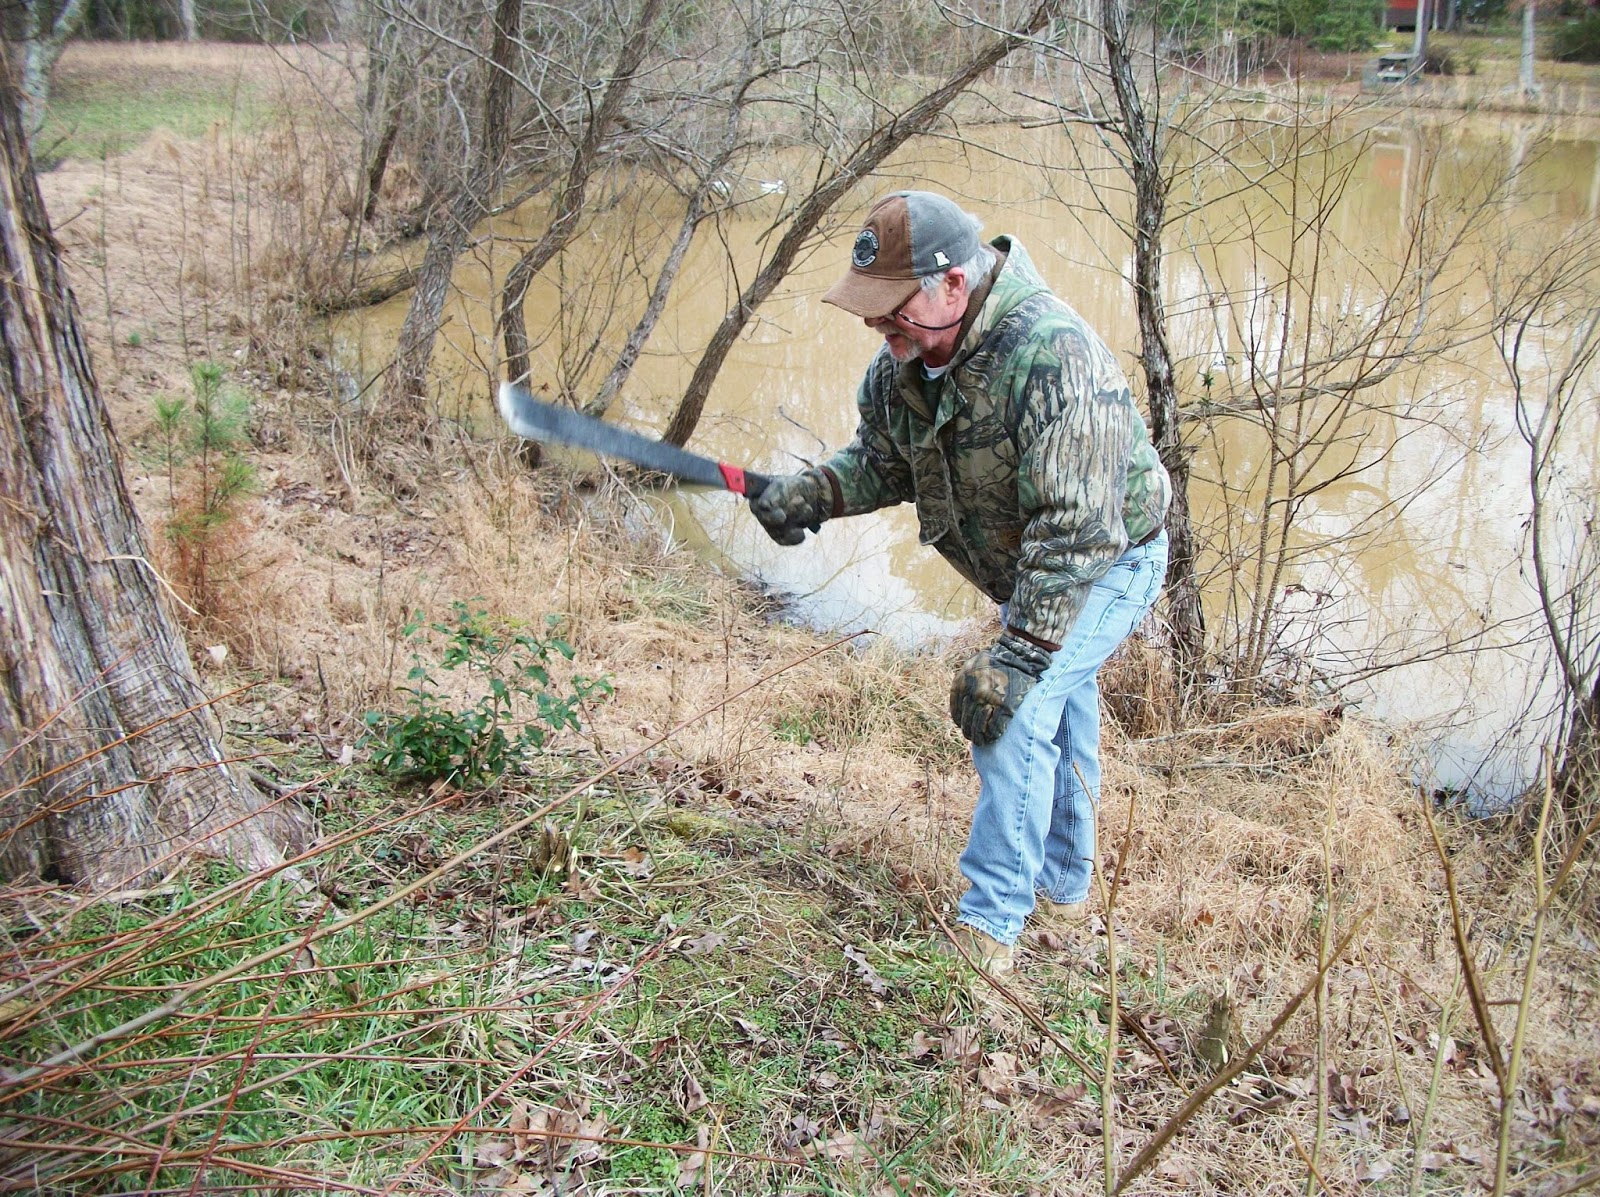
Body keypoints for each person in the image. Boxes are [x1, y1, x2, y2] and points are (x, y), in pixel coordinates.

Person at [749, 190, 1171, 977]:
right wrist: (814, 492)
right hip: (1029, 566)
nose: (879, 326)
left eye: (892, 307)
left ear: (951, 284)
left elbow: (1076, 530)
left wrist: (1019, 656)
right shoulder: (904, 367)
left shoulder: (1052, 355)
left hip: (1108, 559)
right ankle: (1065, 885)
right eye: (872, 310)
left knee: (1012, 711)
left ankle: (991, 927)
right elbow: (883, 460)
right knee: (1064, 714)